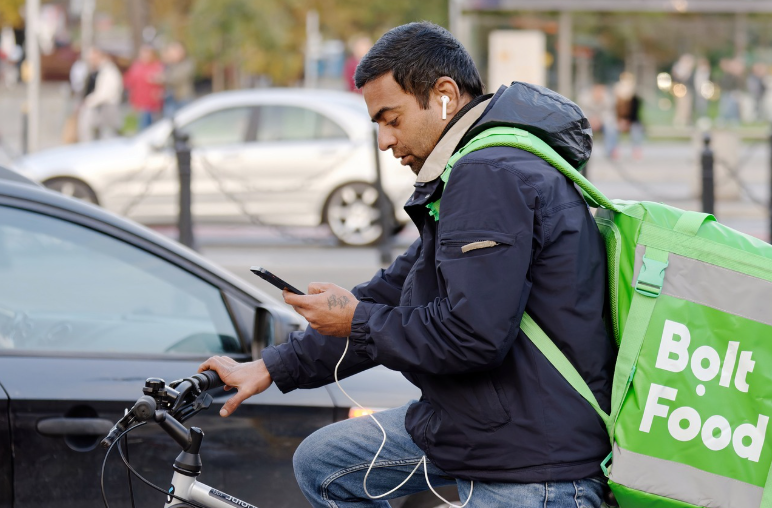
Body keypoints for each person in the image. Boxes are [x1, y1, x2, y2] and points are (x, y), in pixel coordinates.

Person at [200, 21, 614, 508]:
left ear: (444, 96)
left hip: (529, 462)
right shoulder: (473, 168)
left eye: (391, 119)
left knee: (324, 465)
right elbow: (396, 290)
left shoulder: (489, 174)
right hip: (484, 426)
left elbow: (471, 336)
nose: (383, 141)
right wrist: (272, 366)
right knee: (323, 463)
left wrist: (356, 320)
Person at [78, 47, 122, 142]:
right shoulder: (98, 71)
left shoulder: (109, 72)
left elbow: (105, 94)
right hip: (100, 108)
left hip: (107, 108)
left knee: (107, 137)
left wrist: (88, 101)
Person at [123, 44, 164, 131]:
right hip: (139, 103)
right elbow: (129, 82)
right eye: (143, 53)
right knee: (141, 128)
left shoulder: (158, 66)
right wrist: (132, 101)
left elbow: (164, 82)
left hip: (153, 103)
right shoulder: (136, 66)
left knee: (152, 128)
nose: (145, 55)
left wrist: (158, 80)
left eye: (147, 53)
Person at [161, 41, 195, 118]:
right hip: (171, 99)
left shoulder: (187, 63)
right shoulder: (169, 65)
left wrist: (163, 78)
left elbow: (176, 78)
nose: (175, 53)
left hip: (184, 98)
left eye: (177, 51)